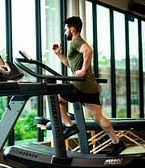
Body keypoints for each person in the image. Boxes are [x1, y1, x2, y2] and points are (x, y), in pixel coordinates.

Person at [52, 16, 126, 156]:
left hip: (80, 86)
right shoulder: (75, 44)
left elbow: (89, 51)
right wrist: (58, 54)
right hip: (91, 87)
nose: (64, 32)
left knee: (55, 97)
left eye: (65, 29)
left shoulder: (76, 41)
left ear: (72, 29)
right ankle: (117, 142)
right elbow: (70, 64)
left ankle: (70, 126)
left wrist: (83, 70)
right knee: (97, 117)